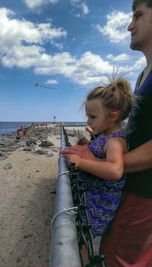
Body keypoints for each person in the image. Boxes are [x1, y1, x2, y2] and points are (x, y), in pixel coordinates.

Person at [98, 1, 152, 266]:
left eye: (138, 16)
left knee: (117, 257)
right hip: (134, 191)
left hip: (145, 196)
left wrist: (99, 163)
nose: (130, 25)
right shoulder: (144, 74)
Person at [61, 78, 133, 238]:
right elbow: (98, 151)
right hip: (92, 194)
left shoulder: (114, 141)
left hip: (100, 204)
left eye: (93, 117)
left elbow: (115, 170)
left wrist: (80, 162)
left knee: (82, 237)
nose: (88, 121)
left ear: (113, 117)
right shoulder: (104, 136)